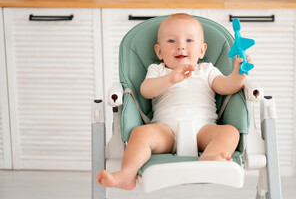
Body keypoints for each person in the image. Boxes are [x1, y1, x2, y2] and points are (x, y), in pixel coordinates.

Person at [97, 13, 252, 190]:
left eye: (189, 41)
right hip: (166, 132)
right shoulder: (158, 70)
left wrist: (238, 75)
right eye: (171, 41)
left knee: (230, 132)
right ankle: (127, 174)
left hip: (203, 129)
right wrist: (170, 78)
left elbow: (226, 87)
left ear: (202, 50)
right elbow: (146, 90)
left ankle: (209, 158)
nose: (180, 46)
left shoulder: (207, 70)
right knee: (139, 134)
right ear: (159, 51)